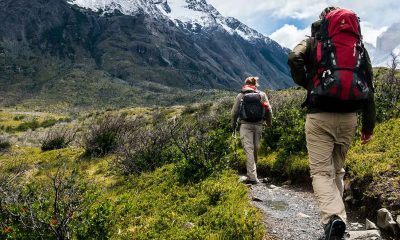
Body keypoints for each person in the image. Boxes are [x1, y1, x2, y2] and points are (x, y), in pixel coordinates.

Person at [288, 6, 376, 240]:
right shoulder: (358, 46)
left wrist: (308, 83)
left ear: (323, 21)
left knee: (320, 172)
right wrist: (369, 125)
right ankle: (340, 224)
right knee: (337, 169)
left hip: (320, 115)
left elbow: (293, 58)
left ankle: (333, 219)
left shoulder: (314, 41)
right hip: (349, 117)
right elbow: (369, 83)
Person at [231, 76, 272, 184]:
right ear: (256, 84)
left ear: (245, 84)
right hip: (258, 125)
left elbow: (234, 113)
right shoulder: (262, 95)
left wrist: (233, 126)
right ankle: (253, 174)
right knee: (255, 149)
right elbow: (269, 110)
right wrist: (269, 124)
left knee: (249, 150)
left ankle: (252, 177)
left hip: (245, 125)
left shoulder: (241, 95)